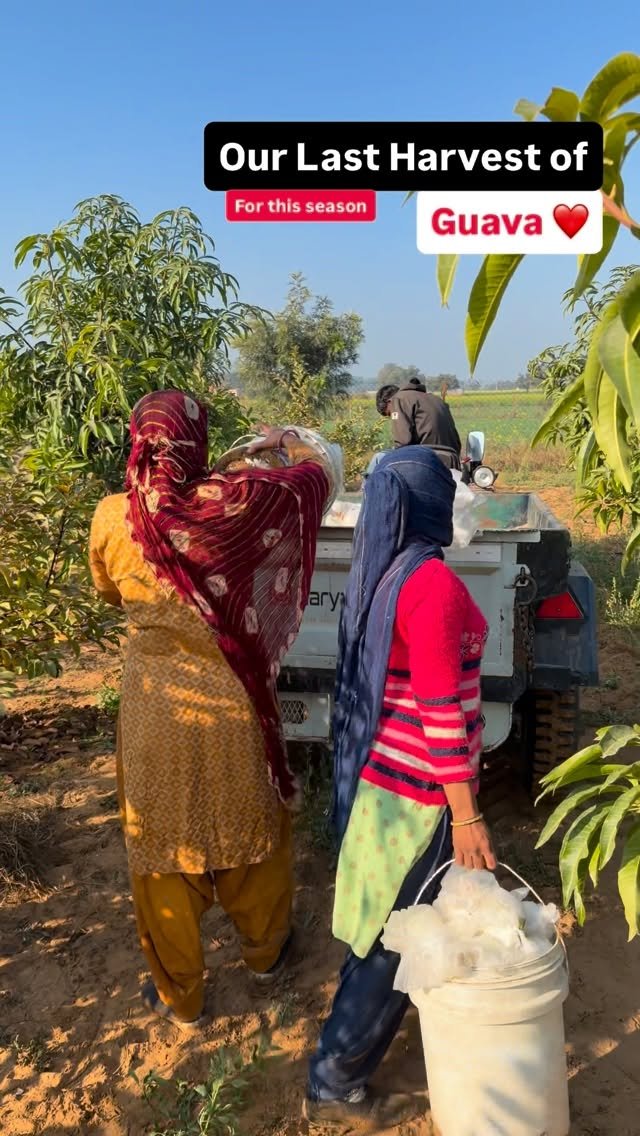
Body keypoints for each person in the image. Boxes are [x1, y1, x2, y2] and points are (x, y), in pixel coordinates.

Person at [89, 390, 339, 1032]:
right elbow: (322, 473)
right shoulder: (238, 508)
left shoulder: (113, 517)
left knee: (162, 850)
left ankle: (182, 999)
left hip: (154, 709)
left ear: (137, 441)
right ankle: (264, 958)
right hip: (233, 704)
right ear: (197, 444)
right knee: (250, 832)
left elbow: (109, 589)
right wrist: (279, 442)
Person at [305, 446, 496, 1130]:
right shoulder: (433, 585)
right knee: (396, 941)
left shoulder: (387, 572)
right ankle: (336, 1076)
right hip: (419, 793)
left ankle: (340, 1056)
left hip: (387, 779)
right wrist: (467, 816)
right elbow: (441, 709)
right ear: (426, 506)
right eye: (445, 490)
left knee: (380, 929)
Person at [376, 378, 462, 469]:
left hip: (427, 460)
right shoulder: (436, 399)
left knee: (378, 459)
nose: (392, 418)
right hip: (452, 460)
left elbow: (402, 442)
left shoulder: (398, 399)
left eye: (390, 414)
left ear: (389, 402)